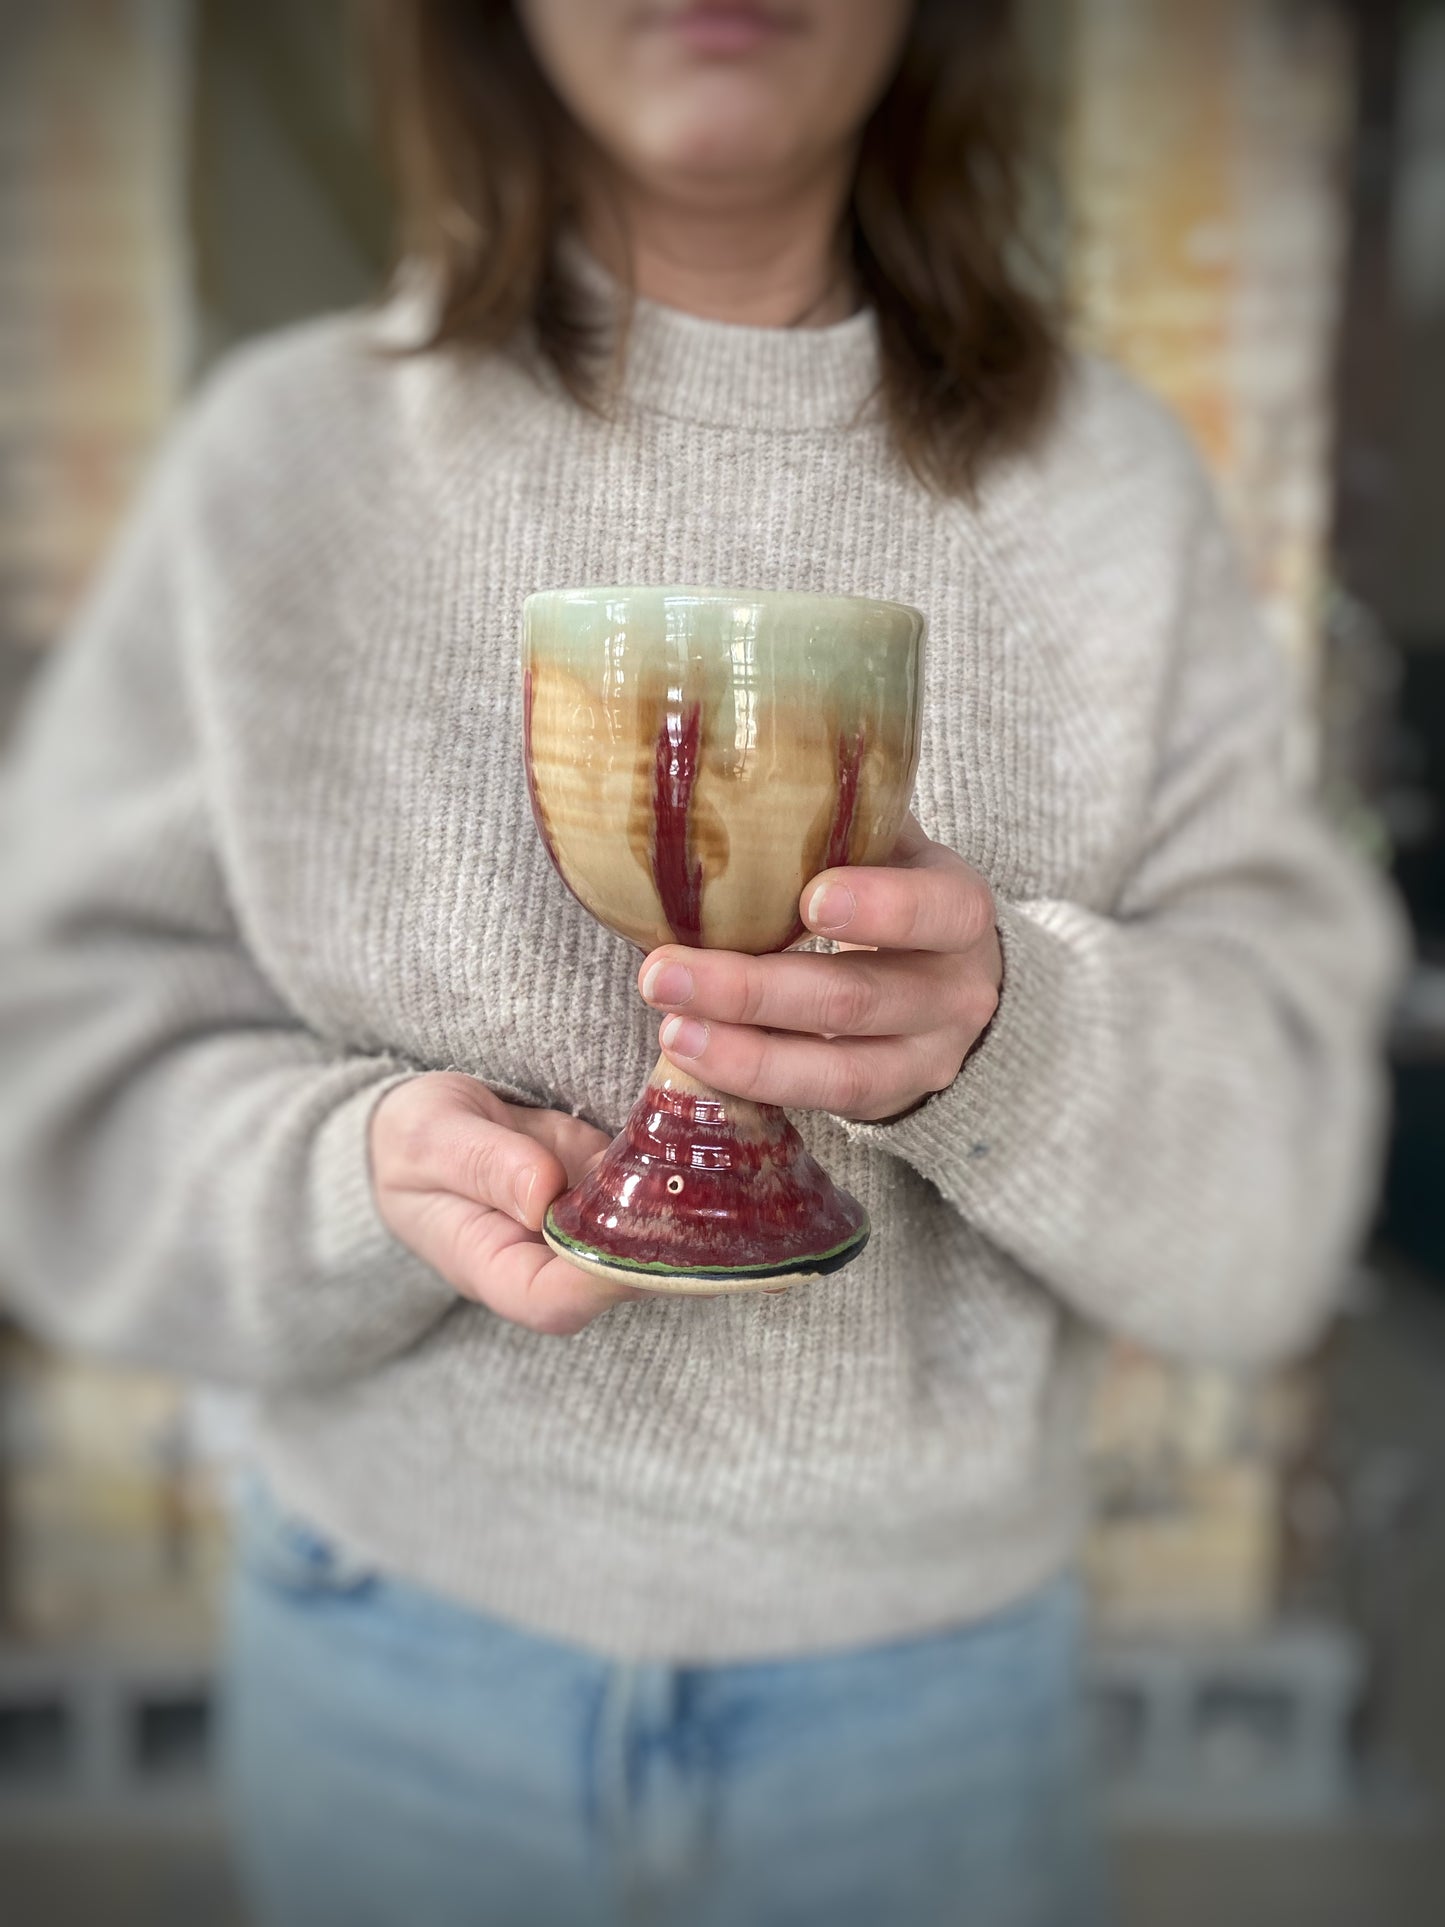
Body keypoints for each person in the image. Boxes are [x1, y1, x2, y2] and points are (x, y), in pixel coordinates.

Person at [0, 2, 1404, 1923]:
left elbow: (1281, 1194)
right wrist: (354, 1174)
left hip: (933, 1718)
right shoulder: (282, 469)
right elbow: (50, 1092)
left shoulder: (1108, 492)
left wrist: (1012, 1036)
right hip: (388, 1670)